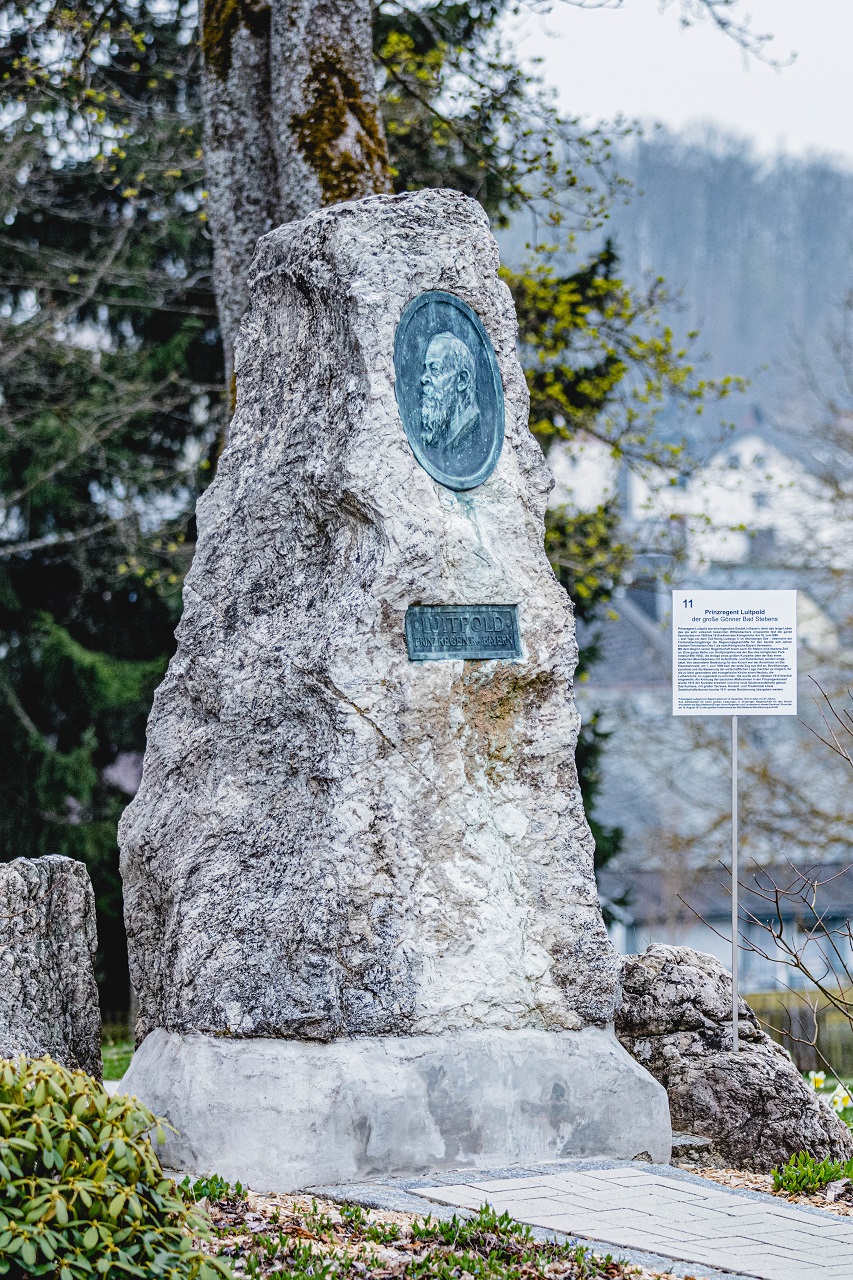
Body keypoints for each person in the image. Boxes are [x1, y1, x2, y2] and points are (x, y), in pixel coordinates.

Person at [419, 332, 481, 450]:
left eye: (434, 369)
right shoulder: (445, 434)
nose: (424, 378)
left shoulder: (477, 431)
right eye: (425, 369)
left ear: (461, 380)